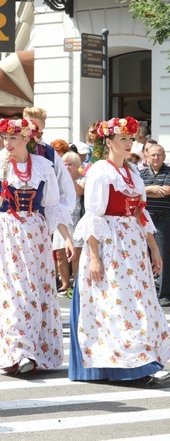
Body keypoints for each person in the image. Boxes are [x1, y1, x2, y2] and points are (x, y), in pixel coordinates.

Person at [70, 116, 170, 385]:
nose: (128, 143)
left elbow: (140, 213)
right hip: (109, 244)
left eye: (130, 138)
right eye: (122, 139)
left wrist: (154, 250)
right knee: (114, 304)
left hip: (133, 245)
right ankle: (125, 366)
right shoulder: (101, 171)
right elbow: (93, 216)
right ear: (109, 141)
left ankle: (142, 360)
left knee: (138, 304)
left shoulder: (133, 173)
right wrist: (93, 257)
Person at [0, 118, 74, 374]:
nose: (7, 143)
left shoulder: (43, 166)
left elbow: (53, 206)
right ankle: (17, 350)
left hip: (36, 234)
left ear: (26, 139)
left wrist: (66, 237)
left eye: (13, 138)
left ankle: (34, 350)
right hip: (6, 233)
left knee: (35, 293)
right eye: (5, 138)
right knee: (12, 293)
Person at [21, 107, 77, 216]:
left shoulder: (49, 152)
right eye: (27, 125)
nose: (31, 130)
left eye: (35, 126)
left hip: (42, 214)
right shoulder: (14, 147)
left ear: (43, 126)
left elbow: (64, 183)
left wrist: (57, 212)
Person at [140, 143, 170, 307]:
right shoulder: (141, 173)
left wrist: (147, 191)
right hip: (145, 218)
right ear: (147, 157)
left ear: (164, 157)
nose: (156, 158)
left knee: (163, 255)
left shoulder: (169, 172)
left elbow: (166, 190)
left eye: (159, 155)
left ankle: (164, 293)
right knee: (143, 254)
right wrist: (151, 189)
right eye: (153, 155)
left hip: (164, 219)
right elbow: (136, 191)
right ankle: (147, 290)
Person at [55, 151, 85, 295]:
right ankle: (65, 283)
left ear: (77, 166)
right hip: (60, 220)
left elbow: (80, 192)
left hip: (76, 220)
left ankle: (77, 283)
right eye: (64, 164)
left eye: (70, 165)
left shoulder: (82, 179)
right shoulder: (57, 179)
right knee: (60, 253)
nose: (67, 167)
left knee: (76, 254)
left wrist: (69, 179)